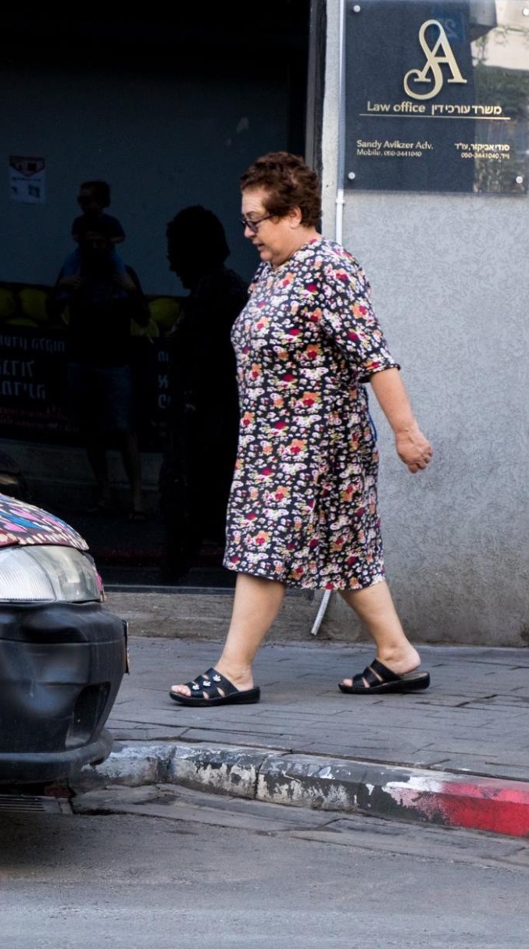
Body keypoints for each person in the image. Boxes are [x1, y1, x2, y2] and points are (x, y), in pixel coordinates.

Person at [170, 152, 434, 706]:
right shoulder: (274, 271)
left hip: (312, 446)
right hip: (273, 441)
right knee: (350, 551)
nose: (247, 234)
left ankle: (234, 670)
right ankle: (398, 657)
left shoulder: (329, 269)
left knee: (263, 548)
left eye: (255, 221)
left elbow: (375, 357)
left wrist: (405, 432)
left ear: (292, 214)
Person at [158, 206, 245, 583]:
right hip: (198, 433)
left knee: (197, 518)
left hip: (209, 436)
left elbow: (214, 370)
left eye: (175, 249)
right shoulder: (211, 291)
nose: (170, 260)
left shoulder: (221, 295)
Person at [55, 224, 150, 519]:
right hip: (82, 359)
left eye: (101, 243)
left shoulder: (123, 274)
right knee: (90, 430)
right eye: (89, 242)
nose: (95, 249)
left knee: (124, 431)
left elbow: (144, 316)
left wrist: (131, 290)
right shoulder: (75, 273)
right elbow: (51, 310)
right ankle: (104, 493)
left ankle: (137, 498)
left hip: (115, 362)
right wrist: (62, 288)